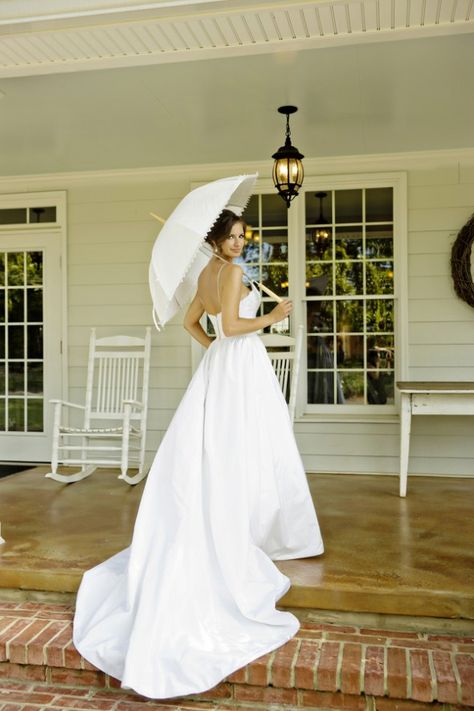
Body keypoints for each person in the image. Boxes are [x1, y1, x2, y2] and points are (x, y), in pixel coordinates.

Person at [73, 209, 324, 700]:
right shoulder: (228, 272)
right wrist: (270, 317)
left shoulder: (211, 272)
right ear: (215, 240)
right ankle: (252, 527)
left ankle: (248, 519)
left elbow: (195, 322)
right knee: (244, 445)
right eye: (231, 237)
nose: (239, 243)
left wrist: (215, 350)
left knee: (229, 445)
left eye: (241, 237)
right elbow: (230, 326)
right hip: (240, 362)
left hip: (223, 366)